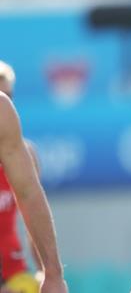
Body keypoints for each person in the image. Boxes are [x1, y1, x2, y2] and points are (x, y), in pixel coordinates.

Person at [0, 61, 68, 293]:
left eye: (10, 94)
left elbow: (29, 195)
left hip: (12, 273)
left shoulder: (3, 116)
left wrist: (51, 274)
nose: (7, 98)